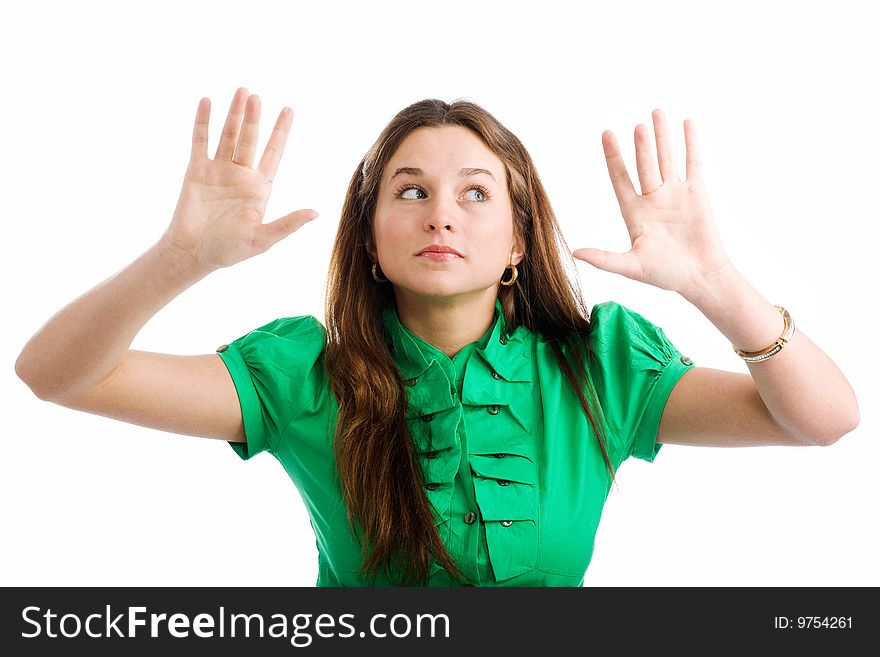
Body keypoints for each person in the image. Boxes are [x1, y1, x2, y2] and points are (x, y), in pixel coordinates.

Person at [15, 87, 860, 587]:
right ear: (373, 235)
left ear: (520, 242)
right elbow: (55, 375)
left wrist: (715, 284)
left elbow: (823, 418)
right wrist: (177, 259)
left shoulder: (598, 367)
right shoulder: (303, 374)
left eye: (477, 192)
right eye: (410, 191)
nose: (442, 212)